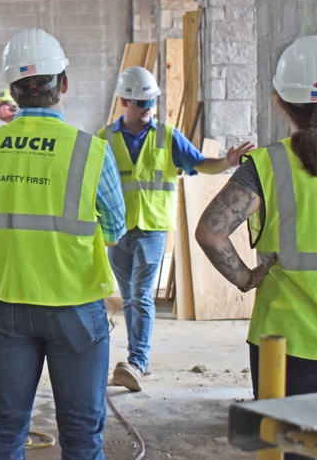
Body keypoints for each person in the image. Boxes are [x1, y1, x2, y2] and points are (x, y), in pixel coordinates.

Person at [0, 28, 126, 460]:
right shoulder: (90, 151)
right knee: (81, 435)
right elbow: (115, 227)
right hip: (76, 308)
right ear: (65, 83)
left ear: (12, 91)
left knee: (5, 428)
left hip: (11, 307)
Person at [196, 35, 317, 460]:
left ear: (279, 101)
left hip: (284, 342)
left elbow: (211, 232)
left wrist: (245, 278)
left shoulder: (265, 166)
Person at [101, 66, 253, 391]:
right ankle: (142, 359)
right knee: (129, 297)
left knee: (141, 295)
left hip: (152, 228)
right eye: (141, 103)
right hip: (116, 231)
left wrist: (226, 161)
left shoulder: (166, 136)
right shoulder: (104, 139)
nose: (148, 109)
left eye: (152, 102)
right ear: (124, 101)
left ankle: (138, 361)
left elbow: (200, 164)